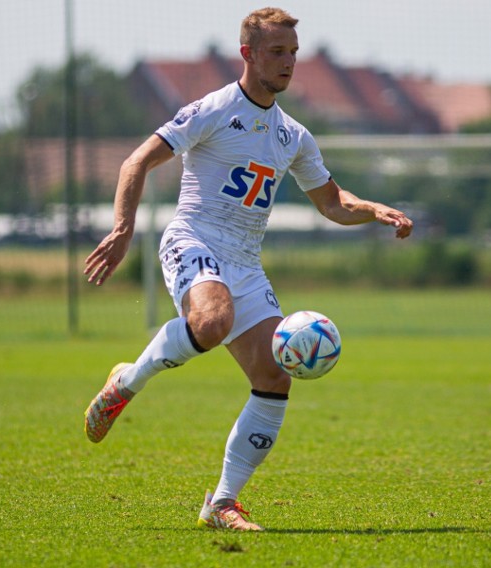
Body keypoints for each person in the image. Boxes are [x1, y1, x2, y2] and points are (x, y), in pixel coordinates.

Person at [82, 7, 413, 532]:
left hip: (243, 261)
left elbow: (330, 202)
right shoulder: (213, 109)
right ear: (248, 55)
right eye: (277, 52)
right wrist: (123, 229)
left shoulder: (294, 136)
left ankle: (221, 504)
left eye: (293, 53)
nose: (288, 63)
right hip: (193, 239)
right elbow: (136, 161)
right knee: (211, 322)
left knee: (275, 374)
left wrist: (373, 209)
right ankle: (126, 382)